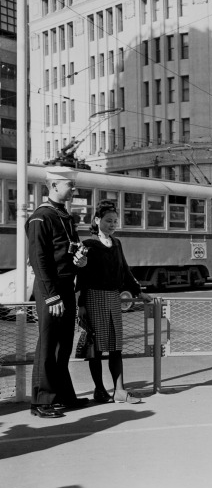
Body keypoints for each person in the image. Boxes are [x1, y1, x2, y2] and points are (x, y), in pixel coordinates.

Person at [25, 166, 89, 419]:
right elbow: (39, 258)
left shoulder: (63, 215)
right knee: (49, 344)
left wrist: (79, 261)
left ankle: (62, 396)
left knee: (63, 345)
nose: (73, 189)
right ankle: (41, 401)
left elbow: (67, 251)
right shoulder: (42, 217)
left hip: (64, 284)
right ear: (53, 186)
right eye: (69, 185)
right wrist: (51, 295)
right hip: (50, 287)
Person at [76, 200, 152, 404]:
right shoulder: (88, 245)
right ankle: (99, 390)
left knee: (116, 346)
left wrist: (139, 291)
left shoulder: (117, 244)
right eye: (108, 221)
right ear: (97, 220)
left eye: (115, 221)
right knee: (97, 348)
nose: (112, 225)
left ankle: (119, 390)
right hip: (93, 298)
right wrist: (81, 305)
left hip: (113, 297)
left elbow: (125, 271)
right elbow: (81, 277)